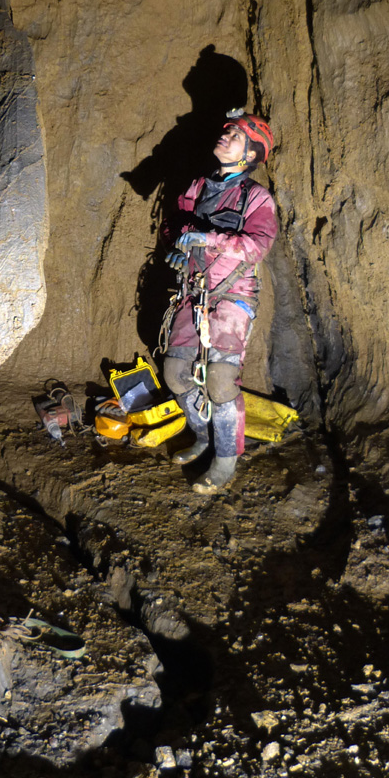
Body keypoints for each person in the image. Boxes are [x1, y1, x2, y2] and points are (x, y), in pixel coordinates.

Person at [161, 113, 278, 494]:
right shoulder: (198, 186)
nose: (225, 135)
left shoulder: (256, 197)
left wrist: (205, 239)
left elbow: (257, 246)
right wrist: (178, 244)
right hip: (193, 290)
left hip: (231, 295)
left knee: (221, 379)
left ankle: (226, 458)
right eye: (227, 130)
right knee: (176, 373)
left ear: (249, 155)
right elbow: (175, 223)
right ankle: (203, 435)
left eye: (235, 135)